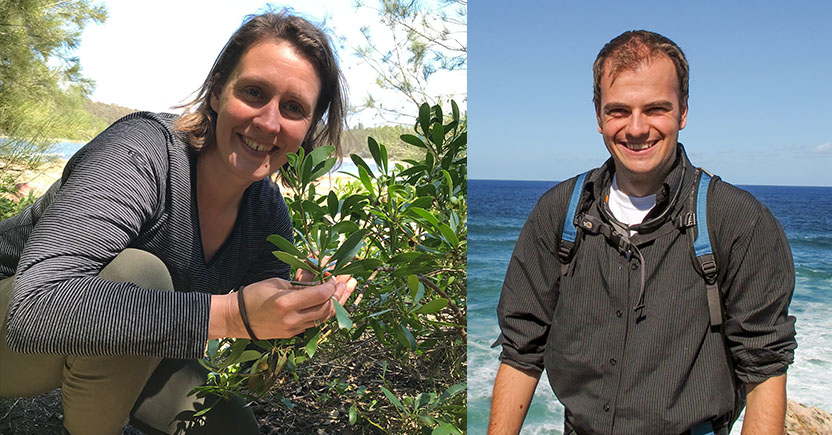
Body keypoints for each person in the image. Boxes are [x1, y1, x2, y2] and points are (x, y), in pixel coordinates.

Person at [0, 10, 357, 435]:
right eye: (254, 92)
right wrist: (232, 313)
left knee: (231, 428)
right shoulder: (142, 152)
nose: (268, 121)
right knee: (139, 274)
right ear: (217, 91)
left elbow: (256, 367)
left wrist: (300, 313)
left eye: (294, 108)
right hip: (15, 324)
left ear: (308, 129)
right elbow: (34, 309)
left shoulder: (267, 215)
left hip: (124, 346)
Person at [489, 30, 796, 435]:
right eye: (619, 110)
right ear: (598, 114)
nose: (636, 128)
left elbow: (765, 368)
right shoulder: (559, 211)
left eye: (655, 109)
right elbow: (520, 351)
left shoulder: (738, 221)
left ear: (683, 111)